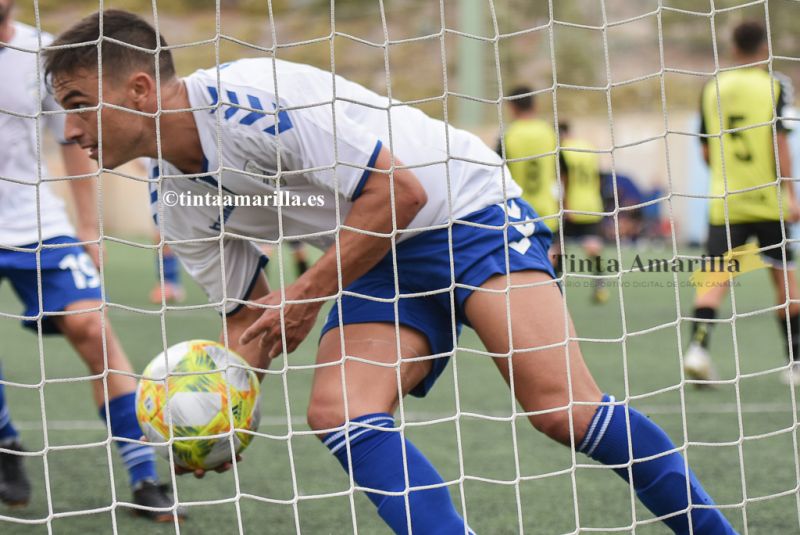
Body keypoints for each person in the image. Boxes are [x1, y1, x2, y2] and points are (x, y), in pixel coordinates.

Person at [46, 10, 737, 533]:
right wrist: (221, 411)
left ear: (138, 88)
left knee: (560, 408)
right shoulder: (174, 201)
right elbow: (251, 321)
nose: (69, 133)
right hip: (375, 247)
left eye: (77, 105)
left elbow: (399, 192)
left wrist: (310, 292)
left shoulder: (250, 99)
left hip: (465, 208)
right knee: (339, 410)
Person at [0, 1, 183, 520]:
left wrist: (87, 226)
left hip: (38, 222)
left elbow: (74, 139)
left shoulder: (43, 53)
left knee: (92, 329)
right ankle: (6, 445)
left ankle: (144, 475)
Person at [685, 20, 800, 385]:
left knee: (714, 280)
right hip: (768, 200)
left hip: (725, 201)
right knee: (785, 282)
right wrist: (791, 194)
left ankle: (698, 349)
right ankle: (795, 363)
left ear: (733, 49)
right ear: (764, 48)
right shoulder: (775, 84)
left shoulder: (713, 86)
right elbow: (778, 143)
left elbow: (705, 149)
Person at [497, 86, 561, 270]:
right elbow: (561, 167)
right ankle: (555, 291)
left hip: (518, 211)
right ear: (535, 105)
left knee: (520, 260)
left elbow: (498, 170)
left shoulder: (509, 134)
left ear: (512, 107)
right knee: (551, 253)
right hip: (548, 207)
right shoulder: (549, 132)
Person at [558, 121, 607, 303]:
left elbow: (564, 180)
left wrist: (564, 204)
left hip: (571, 205)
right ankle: (600, 286)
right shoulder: (588, 147)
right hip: (592, 204)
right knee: (593, 248)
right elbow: (599, 177)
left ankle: (556, 289)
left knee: (557, 249)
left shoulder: (561, 149)